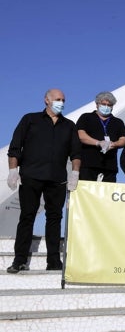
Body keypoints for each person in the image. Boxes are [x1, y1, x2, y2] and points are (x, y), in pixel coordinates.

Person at [6, 88, 81, 273]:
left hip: (57, 179)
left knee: (54, 218)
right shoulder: (30, 119)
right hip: (31, 176)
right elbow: (15, 147)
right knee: (27, 216)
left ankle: (54, 261)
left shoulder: (69, 125)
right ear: (46, 100)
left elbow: (76, 153)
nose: (61, 102)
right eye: (57, 99)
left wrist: (75, 173)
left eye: (63, 99)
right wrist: (12, 170)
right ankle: (19, 260)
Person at [76, 91, 125, 182]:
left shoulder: (118, 122)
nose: (106, 107)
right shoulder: (86, 117)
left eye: (109, 105)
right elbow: (80, 135)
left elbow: (124, 139)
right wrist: (98, 143)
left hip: (109, 167)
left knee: (106, 195)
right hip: (88, 165)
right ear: (97, 104)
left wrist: (114, 144)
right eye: (104, 104)